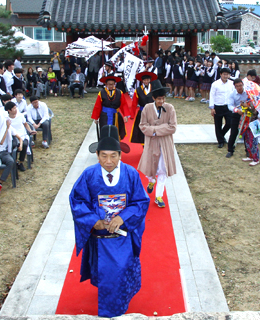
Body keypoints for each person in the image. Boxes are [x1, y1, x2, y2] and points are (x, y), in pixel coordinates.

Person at [70, 125, 149, 318]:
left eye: (113, 156)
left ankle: (113, 310)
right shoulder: (89, 175)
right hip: (99, 237)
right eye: (104, 156)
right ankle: (111, 296)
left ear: (120, 155)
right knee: (103, 271)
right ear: (97, 155)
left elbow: (140, 201)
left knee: (119, 270)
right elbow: (77, 200)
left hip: (122, 235)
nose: (108, 161)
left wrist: (123, 217)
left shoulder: (130, 174)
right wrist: (92, 220)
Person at [137, 85, 177, 208]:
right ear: (154, 98)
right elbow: (143, 126)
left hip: (165, 143)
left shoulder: (170, 108)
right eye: (159, 99)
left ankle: (158, 196)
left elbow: (173, 127)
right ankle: (151, 181)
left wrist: (154, 129)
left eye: (163, 98)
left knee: (163, 169)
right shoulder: (147, 109)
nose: (161, 101)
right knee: (150, 167)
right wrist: (157, 130)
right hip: (151, 142)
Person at [92, 76, 132, 141]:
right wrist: (96, 117)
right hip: (104, 116)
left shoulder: (119, 92)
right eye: (109, 84)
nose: (111, 86)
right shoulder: (101, 93)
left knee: (115, 131)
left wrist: (126, 115)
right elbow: (98, 106)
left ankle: (115, 145)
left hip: (115, 115)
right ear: (106, 84)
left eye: (112, 84)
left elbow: (123, 104)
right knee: (105, 131)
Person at [210, 68, 237, 155]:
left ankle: (221, 134)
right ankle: (220, 141)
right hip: (218, 106)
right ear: (221, 74)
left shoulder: (232, 84)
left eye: (227, 74)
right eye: (224, 74)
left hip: (228, 106)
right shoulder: (215, 84)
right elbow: (212, 95)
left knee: (229, 123)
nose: (226, 76)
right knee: (218, 124)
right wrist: (212, 107)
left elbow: (234, 94)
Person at [129, 71, 157, 144]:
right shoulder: (138, 90)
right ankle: (144, 146)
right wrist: (132, 115)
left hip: (153, 111)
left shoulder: (154, 88)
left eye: (147, 80)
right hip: (142, 112)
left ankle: (153, 144)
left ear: (150, 80)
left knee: (153, 128)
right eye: (144, 80)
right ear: (142, 81)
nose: (146, 81)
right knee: (142, 130)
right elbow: (134, 103)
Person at [6, 101, 31, 171]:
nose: (16, 109)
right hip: (12, 136)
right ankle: (14, 160)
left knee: (25, 144)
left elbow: (25, 124)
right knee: (14, 145)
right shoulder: (6, 119)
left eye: (15, 108)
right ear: (9, 110)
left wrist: (30, 131)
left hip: (22, 134)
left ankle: (20, 162)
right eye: (13, 108)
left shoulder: (20, 115)